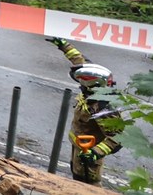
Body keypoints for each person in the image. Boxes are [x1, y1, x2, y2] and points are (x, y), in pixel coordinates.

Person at [47, 37, 123, 185]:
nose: (79, 81)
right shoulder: (93, 88)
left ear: (91, 83)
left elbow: (117, 138)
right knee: (76, 176)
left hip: (89, 154)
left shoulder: (103, 107)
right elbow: (79, 62)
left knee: (88, 184)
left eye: (82, 80)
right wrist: (64, 46)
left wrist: (95, 153)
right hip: (78, 146)